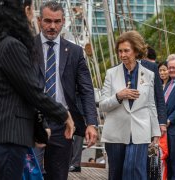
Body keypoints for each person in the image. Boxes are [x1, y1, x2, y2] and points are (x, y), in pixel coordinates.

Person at [0, 0, 75, 179]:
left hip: (1, 134)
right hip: (6, 136)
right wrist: (63, 114)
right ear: (26, 10)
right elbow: (32, 90)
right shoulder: (12, 45)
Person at [34, 1, 98, 180]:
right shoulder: (26, 47)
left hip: (63, 124)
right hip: (32, 121)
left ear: (63, 21)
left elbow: (86, 90)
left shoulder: (75, 52)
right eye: (47, 21)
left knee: (59, 176)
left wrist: (92, 123)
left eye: (57, 21)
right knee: (32, 173)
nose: (52, 26)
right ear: (39, 20)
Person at [100, 30, 161, 180]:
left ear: (136, 51)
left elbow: (151, 105)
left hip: (141, 130)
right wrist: (119, 96)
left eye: (126, 50)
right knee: (116, 173)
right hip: (115, 132)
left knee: (134, 169)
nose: (122, 55)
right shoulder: (111, 73)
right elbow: (102, 105)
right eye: (120, 51)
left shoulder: (149, 74)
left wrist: (156, 132)